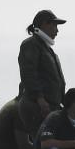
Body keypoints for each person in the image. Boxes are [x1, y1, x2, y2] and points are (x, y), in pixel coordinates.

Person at [18, 9, 67, 142]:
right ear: (45, 24)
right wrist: (40, 99)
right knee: (42, 147)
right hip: (37, 107)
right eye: (55, 25)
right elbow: (28, 73)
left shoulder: (47, 49)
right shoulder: (30, 44)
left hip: (50, 107)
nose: (57, 31)